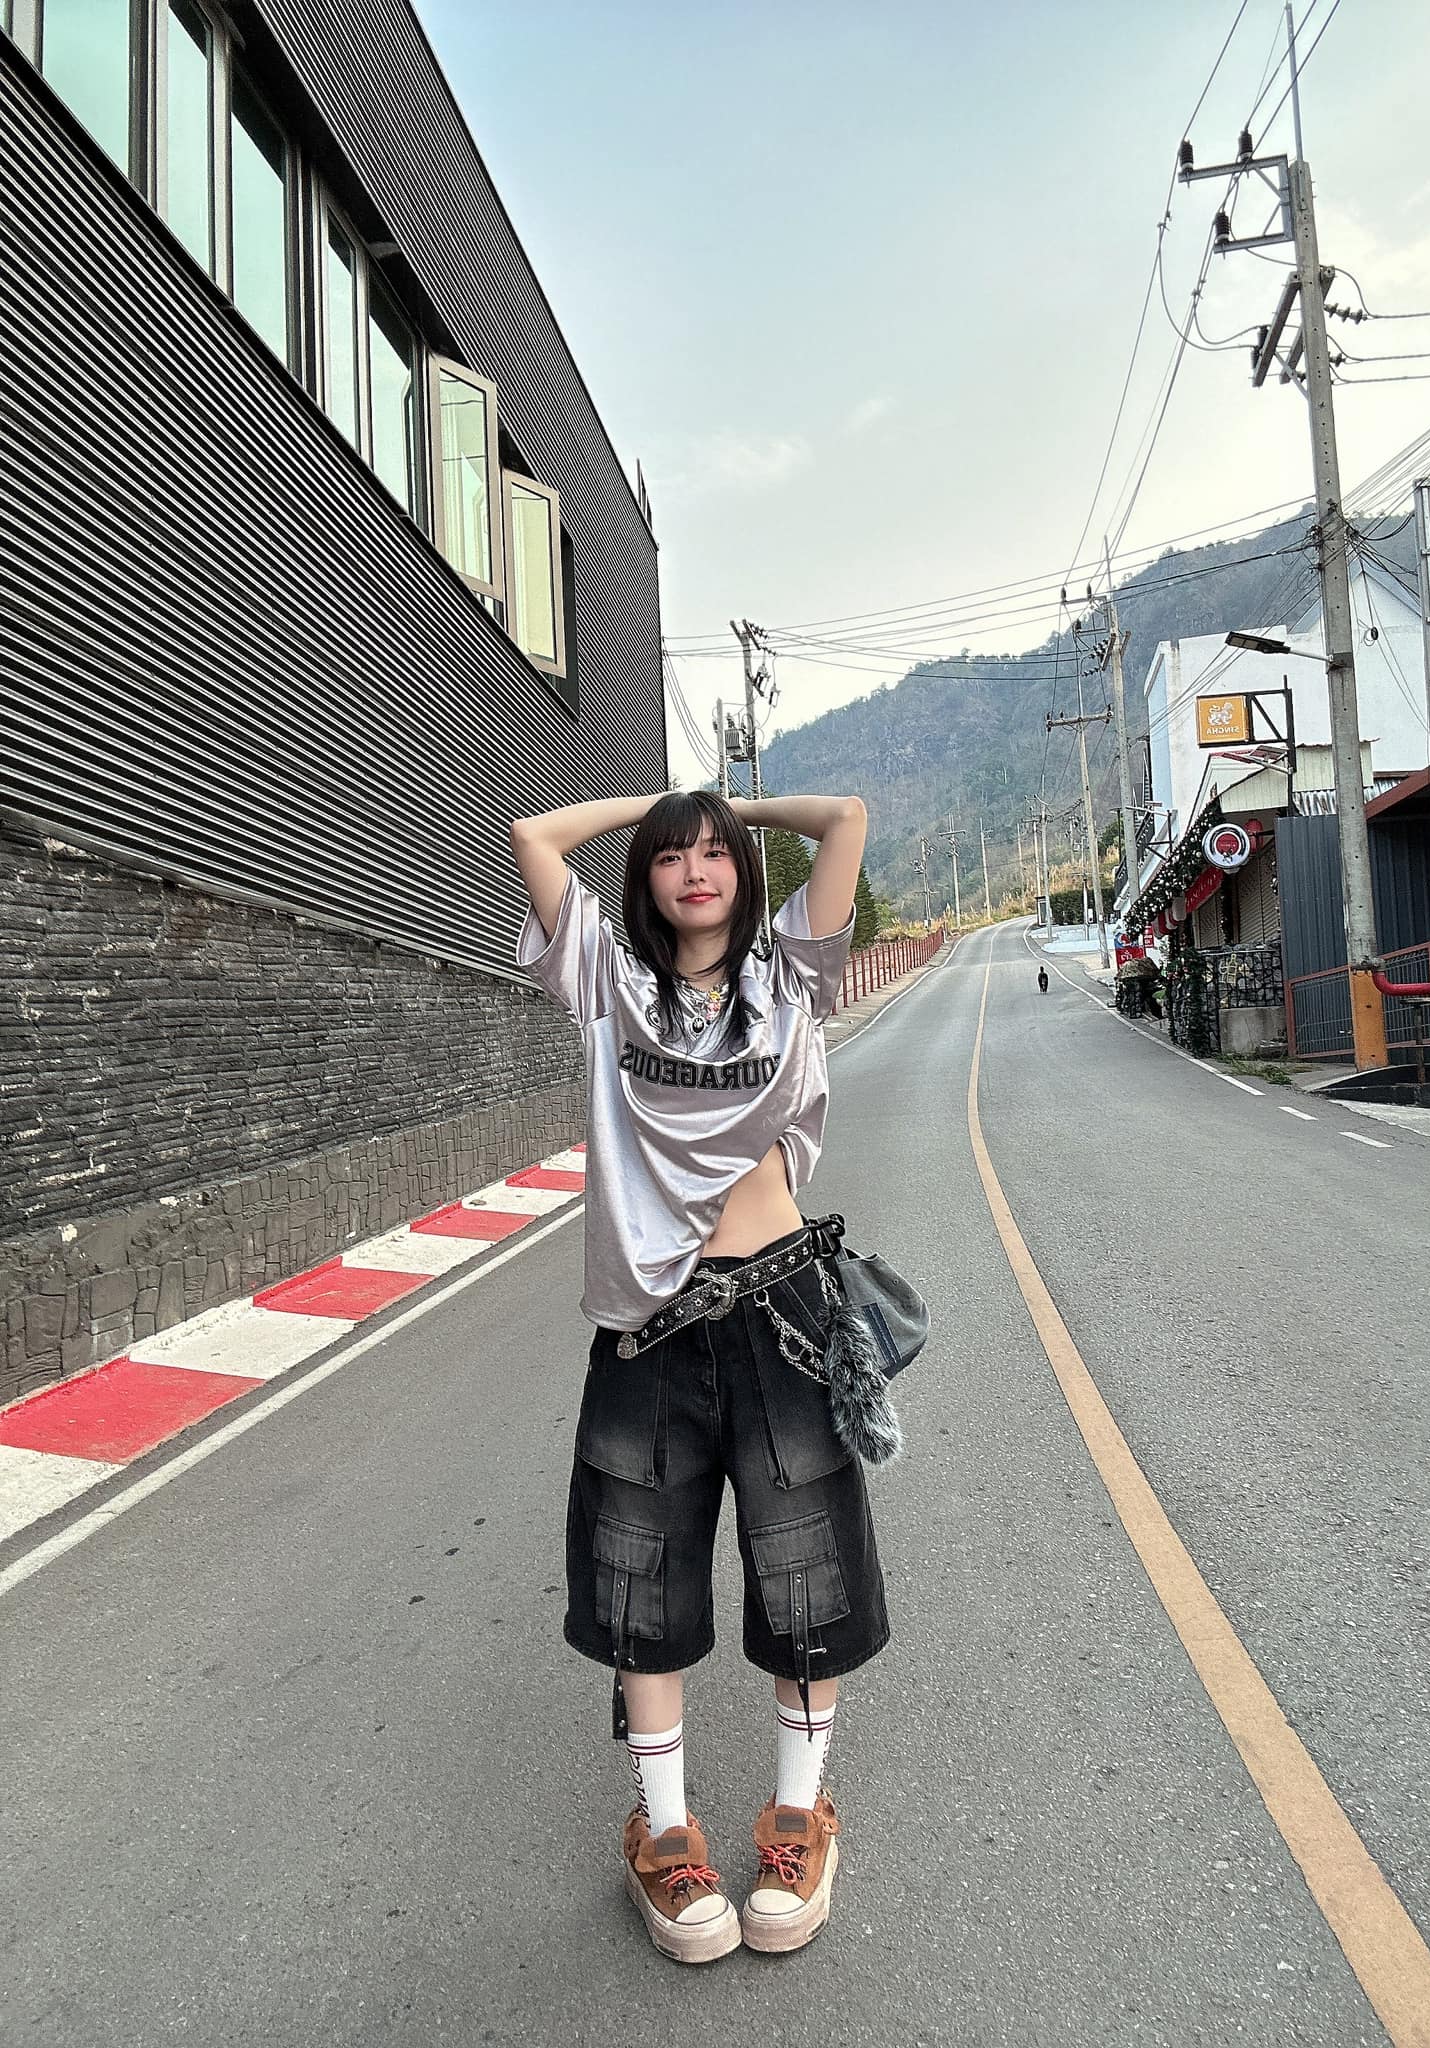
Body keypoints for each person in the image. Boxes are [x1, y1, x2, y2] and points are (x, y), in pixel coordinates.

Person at [508, 788, 892, 1965]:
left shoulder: (791, 976)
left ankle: (797, 1819)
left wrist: (732, 801)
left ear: (744, 868)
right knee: (641, 1579)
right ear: (646, 878)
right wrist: (665, 804)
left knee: (806, 1572)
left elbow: (846, 819)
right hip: (650, 1329)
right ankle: (667, 1836)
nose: (694, 867)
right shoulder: (608, 981)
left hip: (783, 1309)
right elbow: (533, 836)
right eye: (671, 854)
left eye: (716, 850)